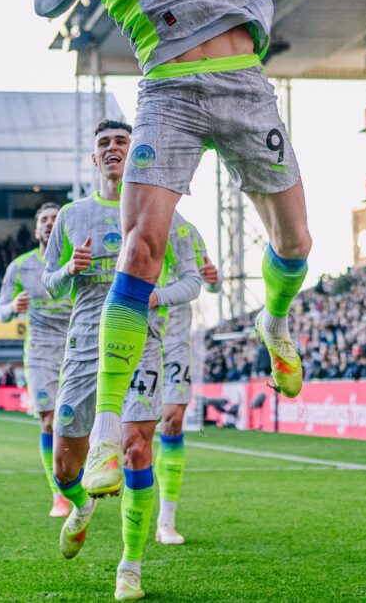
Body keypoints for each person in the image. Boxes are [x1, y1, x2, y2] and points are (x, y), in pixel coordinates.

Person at [35, 0, 316, 499]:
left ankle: (273, 321)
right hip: (166, 88)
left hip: (243, 82)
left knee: (296, 243)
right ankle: (106, 437)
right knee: (138, 249)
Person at [42, 119, 200, 601]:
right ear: (94, 159)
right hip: (85, 344)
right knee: (65, 467)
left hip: (142, 343)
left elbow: (192, 281)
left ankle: (130, 566)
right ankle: (81, 507)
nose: (113, 149)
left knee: (136, 448)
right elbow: (50, 283)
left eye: (122, 143)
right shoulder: (71, 216)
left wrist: (156, 298)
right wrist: (71, 268)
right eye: (104, 144)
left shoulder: (164, 215)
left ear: (136, 155)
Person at [0, 202, 72, 518]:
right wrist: (13, 305)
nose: (49, 223)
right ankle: (59, 494)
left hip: (77, 348)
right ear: (35, 229)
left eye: (55, 219)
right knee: (49, 420)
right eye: (44, 219)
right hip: (39, 352)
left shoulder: (76, 260)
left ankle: (78, 477)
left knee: (77, 422)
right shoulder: (20, 266)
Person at [156, 221, 221, 546]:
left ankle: (166, 520)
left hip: (178, 337)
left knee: (173, 420)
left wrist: (214, 279)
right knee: (133, 434)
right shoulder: (131, 214)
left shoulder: (187, 230)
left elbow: (209, 279)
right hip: (137, 332)